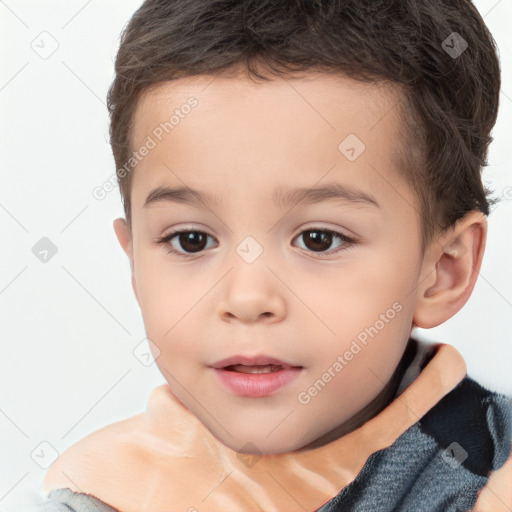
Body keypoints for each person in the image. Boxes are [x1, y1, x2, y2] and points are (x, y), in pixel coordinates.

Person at [36, 0, 512, 510]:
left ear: (443, 271)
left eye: (319, 239)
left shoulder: (488, 480)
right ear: (135, 266)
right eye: (191, 240)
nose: (246, 298)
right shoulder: (95, 492)